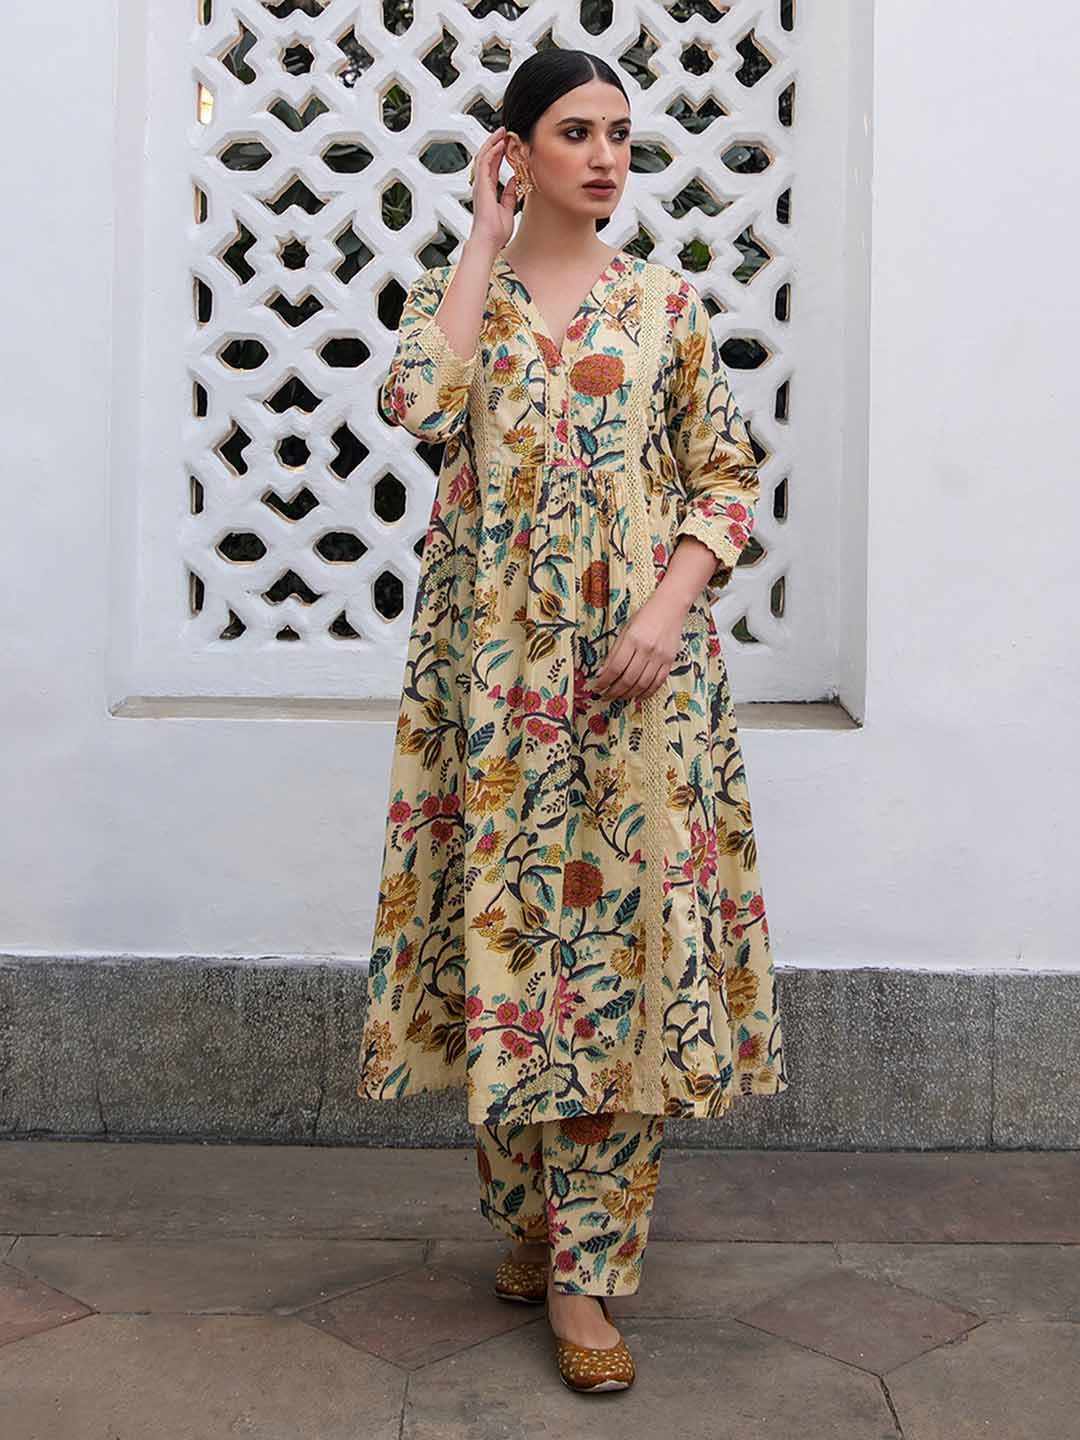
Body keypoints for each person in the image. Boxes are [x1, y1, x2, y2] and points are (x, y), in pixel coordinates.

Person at [358, 48, 790, 1393]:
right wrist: (478, 240)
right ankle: (530, 1221)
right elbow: (414, 407)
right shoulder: (466, 303)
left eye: (619, 133)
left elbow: (727, 478)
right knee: (503, 941)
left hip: (636, 688)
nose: (605, 157)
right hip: (493, 692)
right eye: (574, 132)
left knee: (618, 962)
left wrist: (665, 610)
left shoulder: (664, 304)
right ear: (516, 151)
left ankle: (587, 1275)